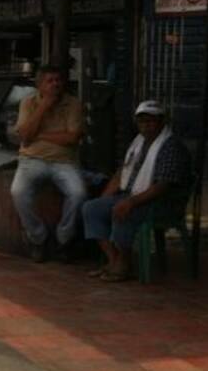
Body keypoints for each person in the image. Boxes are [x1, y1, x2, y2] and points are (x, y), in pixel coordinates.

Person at [82, 100, 192, 282]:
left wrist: (130, 202)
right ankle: (114, 260)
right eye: (142, 121)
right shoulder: (138, 143)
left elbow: (162, 186)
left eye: (151, 121)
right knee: (91, 208)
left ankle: (123, 263)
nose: (146, 125)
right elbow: (123, 171)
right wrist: (106, 196)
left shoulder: (170, 146)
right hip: (131, 195)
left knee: (123, 210)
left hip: (161, 202)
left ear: (161, 122)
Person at [10, 64, 88, 262]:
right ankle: (37, 238)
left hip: (64, 161)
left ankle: (64, 238)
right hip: (31, 159)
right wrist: (44, 106)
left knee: (78, 193)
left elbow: (72, 138)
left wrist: (39, 135)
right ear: (40, 85)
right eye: (49, 81)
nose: (55, 84)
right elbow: (24, 136)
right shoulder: (29, 102)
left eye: (58, 80)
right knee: (18, 192)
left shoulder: (73, 104)